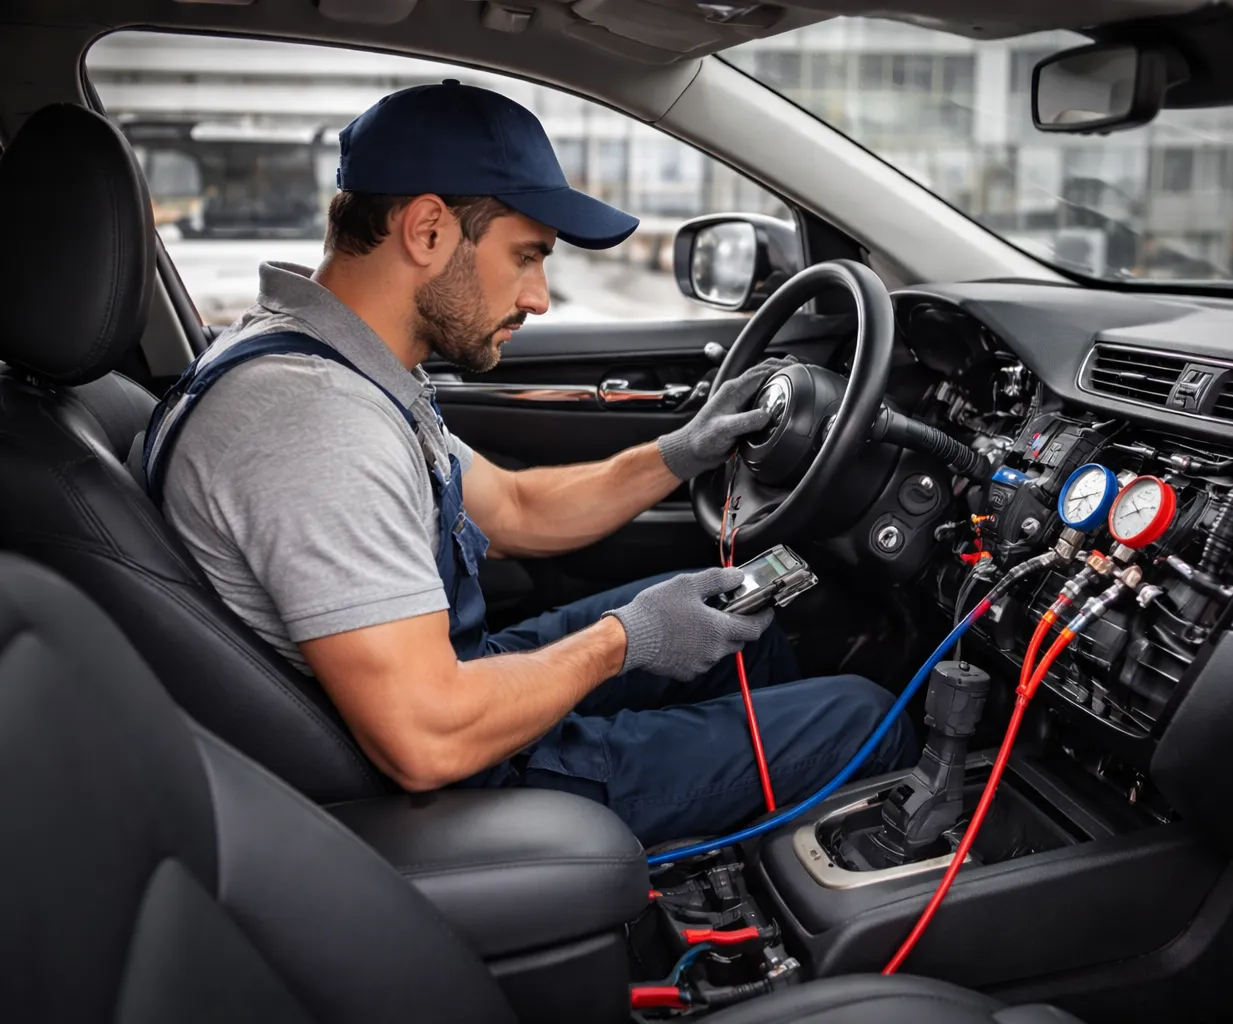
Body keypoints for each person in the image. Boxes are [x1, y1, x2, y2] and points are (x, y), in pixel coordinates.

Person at [144, 80, 914, 847]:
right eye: (526, 256)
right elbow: (428, 739)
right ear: (428, 230)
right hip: (461, 783)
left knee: (741, 620)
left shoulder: (331, 366)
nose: (541, 296)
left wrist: (685, 450)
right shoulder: (316, 423)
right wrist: (626, 640)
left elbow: (515, 510)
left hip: (444, 686)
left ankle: (744, 838)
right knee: (862, 716)